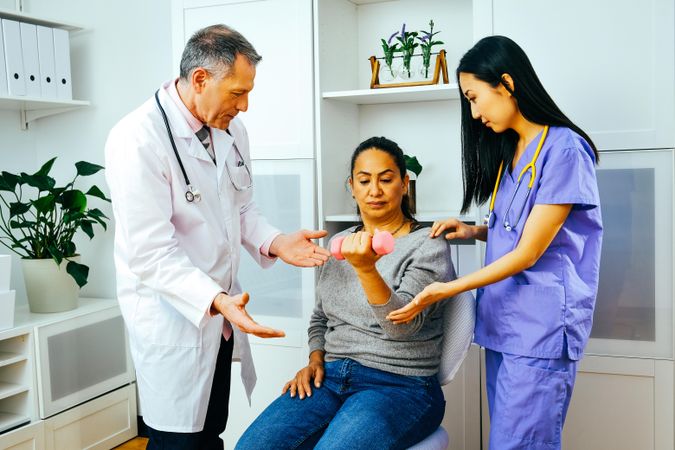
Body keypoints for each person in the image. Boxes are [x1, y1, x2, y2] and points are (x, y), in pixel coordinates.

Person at [104, 24, 330, 450]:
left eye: (248, 93)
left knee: (210, 432)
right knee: (177, 442)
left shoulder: (230, 130)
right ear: (201, 79)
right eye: (237, 93)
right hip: (176, 318)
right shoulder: (137, 139)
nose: (244, 106)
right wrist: (214, 300)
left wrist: (278, 242)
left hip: (223, 315)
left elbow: (242, 208)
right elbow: (149, 253)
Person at [387, 35, 603, 450]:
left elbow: (530, 251)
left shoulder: (565, 150)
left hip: (540, 330)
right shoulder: (512, 150)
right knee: (506, 441)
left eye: (474, 97)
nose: (473, 112)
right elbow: (522, 226)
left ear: (505, 82)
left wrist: (447, 289)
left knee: (520, 445)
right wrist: (474, 231)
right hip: (504, 323)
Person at [235, 137, 454, 450]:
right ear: (351, 186)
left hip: (402, 385)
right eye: (364, 180)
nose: (374, 190)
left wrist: (366, 269)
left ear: (404, 184)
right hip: (332, 377)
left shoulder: (428, 246)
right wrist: (314, 359)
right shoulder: (339, 243)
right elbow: (321, 318)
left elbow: (401, 326)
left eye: (386, 179)